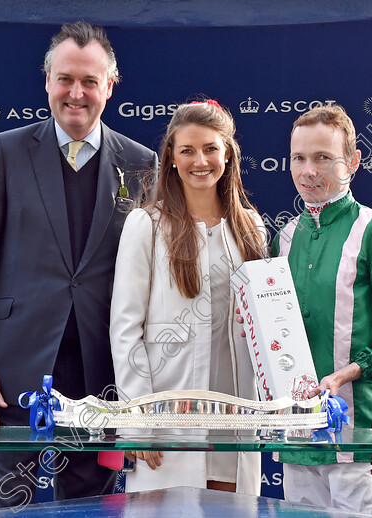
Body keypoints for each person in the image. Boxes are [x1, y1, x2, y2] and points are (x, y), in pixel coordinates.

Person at [0, 21, 157, 508]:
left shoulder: (142, 163)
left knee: (92, 507)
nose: (76, 93)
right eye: (65, 79)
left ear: (110, 87)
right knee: (8, 505)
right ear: (47, 80)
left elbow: (151, 280)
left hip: (103, 375)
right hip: (14, 377)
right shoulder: (5, 151)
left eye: (90, 81)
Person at [270, 104, 372, 515]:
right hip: (300, 438)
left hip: (361, 438)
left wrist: (347, 373)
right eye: (298, 158)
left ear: (352, 163)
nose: (309, 171)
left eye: (324, 157)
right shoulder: (285, 238)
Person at [110, 100, 265, 495]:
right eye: (187, 150)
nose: (201, 160)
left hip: (235, 410)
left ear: (227, 155)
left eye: (211, 148)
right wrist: (138, 420)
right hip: (168, 417)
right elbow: (125, 329)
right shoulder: (146, 224)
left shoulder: (251, 228)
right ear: (172, 159)